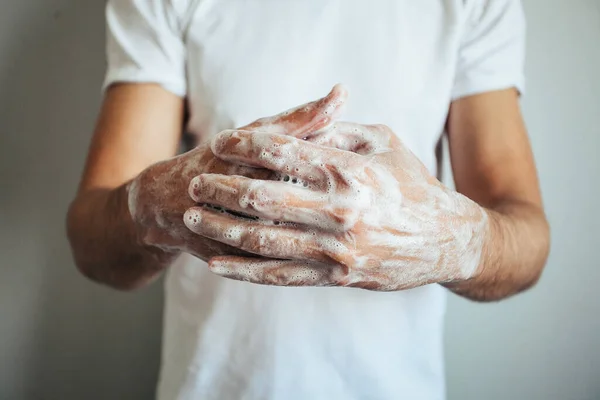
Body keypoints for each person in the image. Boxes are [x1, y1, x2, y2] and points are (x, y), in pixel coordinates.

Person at [66, 0, 550, 399]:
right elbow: (93, 242)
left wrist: (445, 238)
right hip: (213, 383)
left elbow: (526, 239)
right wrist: (172, 199)